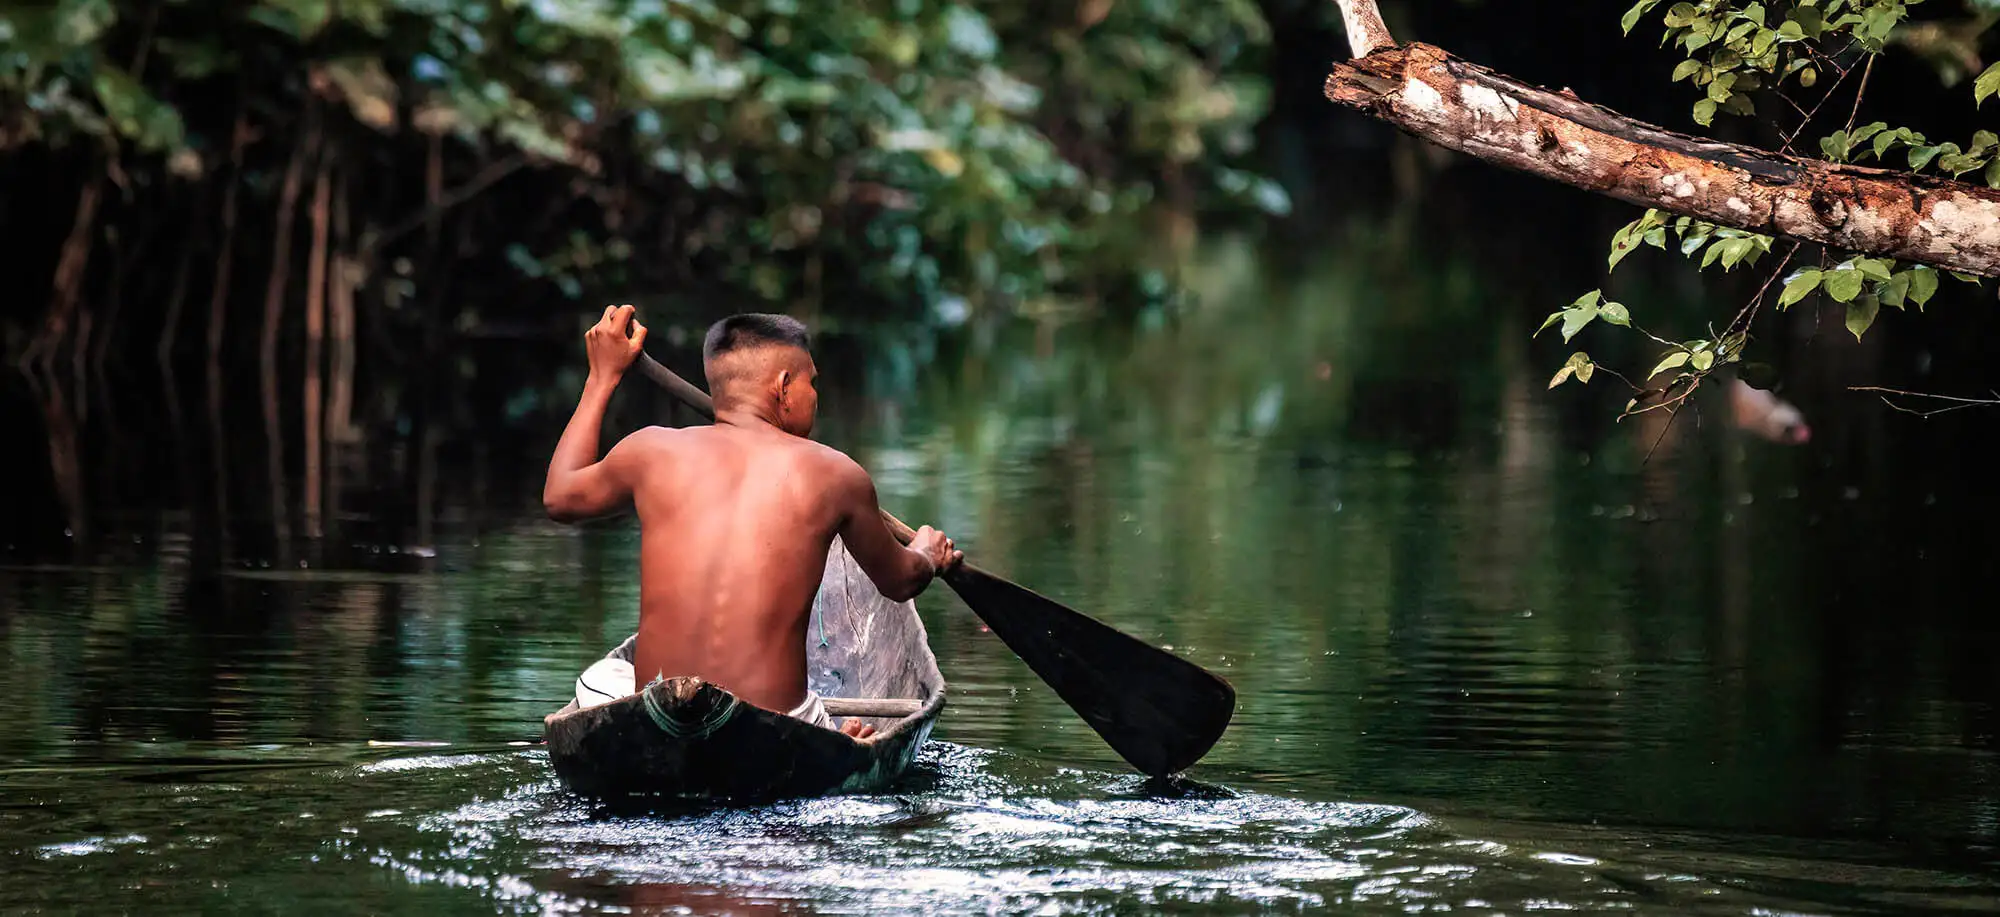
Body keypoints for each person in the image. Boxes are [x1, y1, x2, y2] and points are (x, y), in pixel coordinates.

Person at [542, 306, 963, 740]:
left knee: (608, 677)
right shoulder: (837, 475)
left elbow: (560, 497)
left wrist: (601, 378)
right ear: (783, 387)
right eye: (811, 382)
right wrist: (927, 554)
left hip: (658, 716)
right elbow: (899, 582)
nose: (815, 395)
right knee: (816, 722)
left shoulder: (650, 450)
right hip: (777, 729)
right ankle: (831, 737)